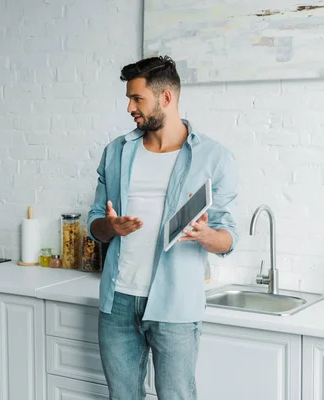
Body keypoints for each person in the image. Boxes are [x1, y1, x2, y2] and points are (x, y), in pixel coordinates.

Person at [87, 56, 238, 399]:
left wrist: (205, 235)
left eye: (137, 98)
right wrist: (110, 227)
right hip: (118, 300)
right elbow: (94, 223)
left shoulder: (214, 158)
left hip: (176, 304)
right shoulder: (117, 152)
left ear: (166, 98)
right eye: (128, 98)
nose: (129, 107)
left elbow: (228, 238)